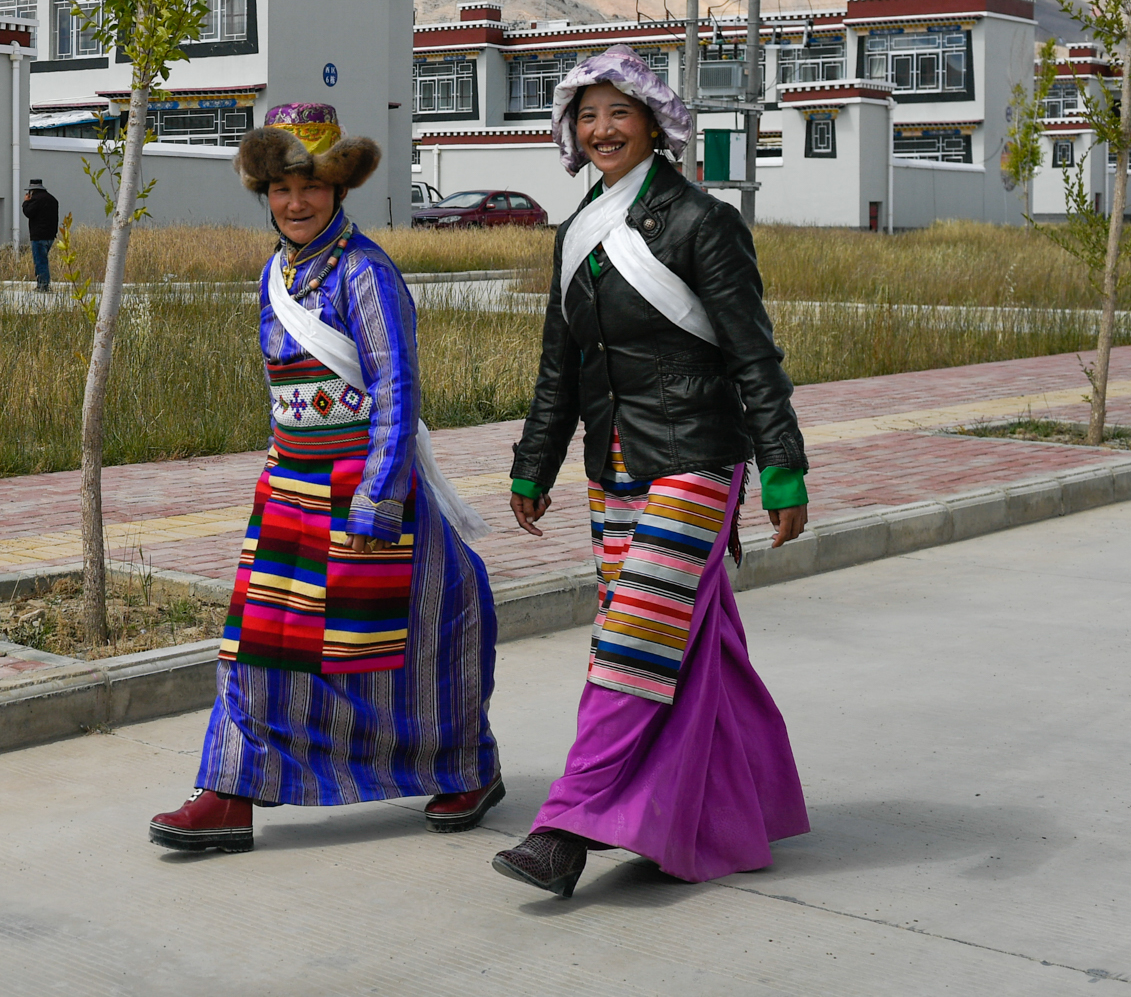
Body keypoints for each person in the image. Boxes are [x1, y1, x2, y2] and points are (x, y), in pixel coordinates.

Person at [491, 45, 812, 899]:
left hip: (697, 459)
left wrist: (782, 466)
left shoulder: (702, 223)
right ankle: (726, 807)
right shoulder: (574, 235)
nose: (601, 129)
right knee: (688, 638)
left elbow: (755, 355)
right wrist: (534, 465)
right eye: (586, 116)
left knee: (633, 638)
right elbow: (560, 367)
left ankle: (566, 824)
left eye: (617, 113)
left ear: (654, 124)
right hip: (614, 464)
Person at [149, 101, 503, 853]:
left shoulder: (367, 274)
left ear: (340, 190)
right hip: (291, 489)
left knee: (414, 642)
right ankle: (229, 791)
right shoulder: (276, 273)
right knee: (259, 645)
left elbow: (395, 390)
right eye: (280, 188)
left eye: (311, 186)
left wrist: (377, 503)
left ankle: (465, 766)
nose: (296, 202)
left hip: (367, 491)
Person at [21, 179, 60, 292]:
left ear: (32, 191)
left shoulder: (36, 200)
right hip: (50, 235)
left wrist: (26, 202)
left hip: (38, 236)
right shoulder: (53, 200)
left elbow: (28, 212)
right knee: (43, 259)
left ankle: (43, 285)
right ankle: (43, 284)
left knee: (40, 261)